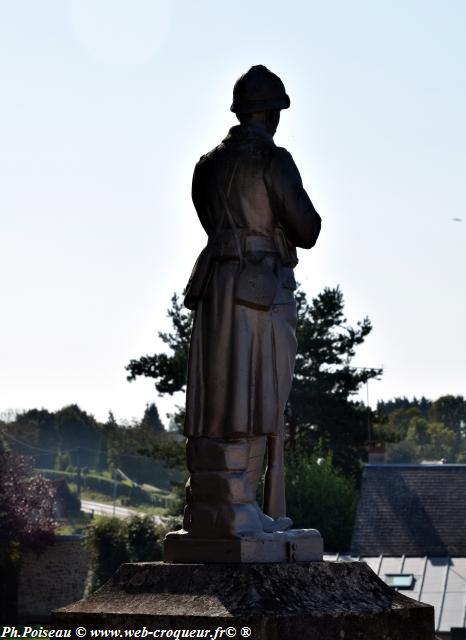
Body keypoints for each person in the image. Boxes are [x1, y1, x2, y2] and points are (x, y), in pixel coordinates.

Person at [182, 65, 321, 538]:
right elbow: (308, 229)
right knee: (259, 394)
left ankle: (215, 503)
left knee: (220, 396)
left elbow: (208, 219)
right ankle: (238, 504)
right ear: (269, 113)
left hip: (217, 287)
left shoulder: (206, 165)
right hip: (260, 291)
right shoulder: (272, 160)